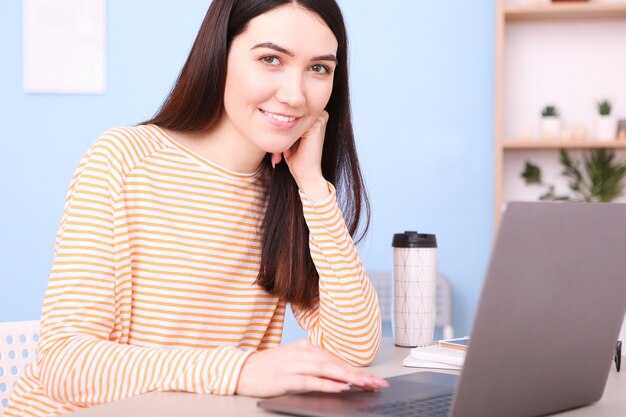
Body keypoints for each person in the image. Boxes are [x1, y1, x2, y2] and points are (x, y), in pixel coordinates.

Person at [5, 0, 387, 415]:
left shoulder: (289, 191)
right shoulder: (124, 160)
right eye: (270, 59)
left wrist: (313, 187)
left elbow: (354, 347)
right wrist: (240, 370)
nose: (295, 95)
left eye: (319, 68)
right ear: (218, 56)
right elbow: (66, 366)